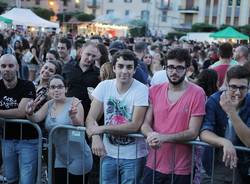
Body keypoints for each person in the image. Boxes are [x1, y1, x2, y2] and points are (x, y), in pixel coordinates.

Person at [141, 48, 206, 184]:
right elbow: (146, 123)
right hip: (153, 163)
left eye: (179, 68)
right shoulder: (154, 90)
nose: (174, 72)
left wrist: (163, 138)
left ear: (187, 69)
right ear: (165, 67)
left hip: (181, 168)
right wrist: (150, 135)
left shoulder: (197, 93)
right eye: (170, 67)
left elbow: (193, 132)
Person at [86, 49, 148, 184]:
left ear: (135, 70)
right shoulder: (104, 86)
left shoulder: (141, 89)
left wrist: (101, 129)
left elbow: (135, 125)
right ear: (113, 68)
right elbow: (91, 118)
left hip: (133, 156)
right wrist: (95, 137)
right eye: (120, 66)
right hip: (108, 153)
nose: (124, 71)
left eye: (129, 67)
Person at [25, 74, 92, 184]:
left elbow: (80, 125)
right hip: (60, 158)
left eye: (60, 87)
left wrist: (73, 117)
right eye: (53, 87)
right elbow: (35, 118)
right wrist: (29, 112)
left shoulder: (75, 102)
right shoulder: (49, 104)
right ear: (49, 90)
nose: (56, 90)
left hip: (79, 157)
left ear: (66, 89)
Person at [200, 65, 250, 184]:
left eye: (242, 88)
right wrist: (224, 142)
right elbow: (204, 132)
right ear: (226, 85)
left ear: (248, 87)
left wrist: (231, 112)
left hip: (242, 163)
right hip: (215, 163)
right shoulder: (214, 101)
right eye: (233, 87)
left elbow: (249, 141)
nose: (237, 92)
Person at [0, 54, 37, 184]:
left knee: (26, 180)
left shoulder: (27, 86)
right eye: (3, 66)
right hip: (6, 140)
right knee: (10, 178)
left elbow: (21, 112)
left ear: (17, 67)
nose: (7, 69)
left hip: (28, 140)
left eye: (10, 65)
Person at [62, 41, 101, 116]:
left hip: (87, 114)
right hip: (66, 111)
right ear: (81, 52)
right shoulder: (67, 68)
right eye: (88, 54)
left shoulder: (98, 74)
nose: (90, 58)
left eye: (93, 56)